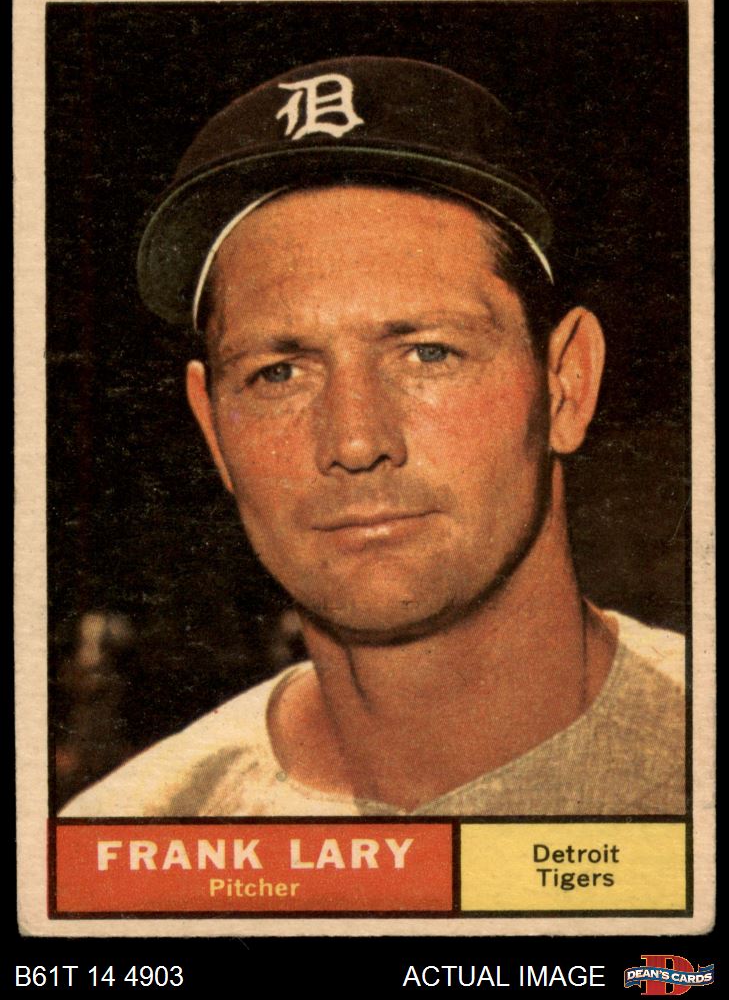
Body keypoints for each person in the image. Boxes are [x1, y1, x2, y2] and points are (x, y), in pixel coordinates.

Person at [62, 56, 684, 817]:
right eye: (278, 373)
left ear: (566, 383)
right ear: (213, 428)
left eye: (429, 353)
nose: (355, 442)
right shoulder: (130, 837)